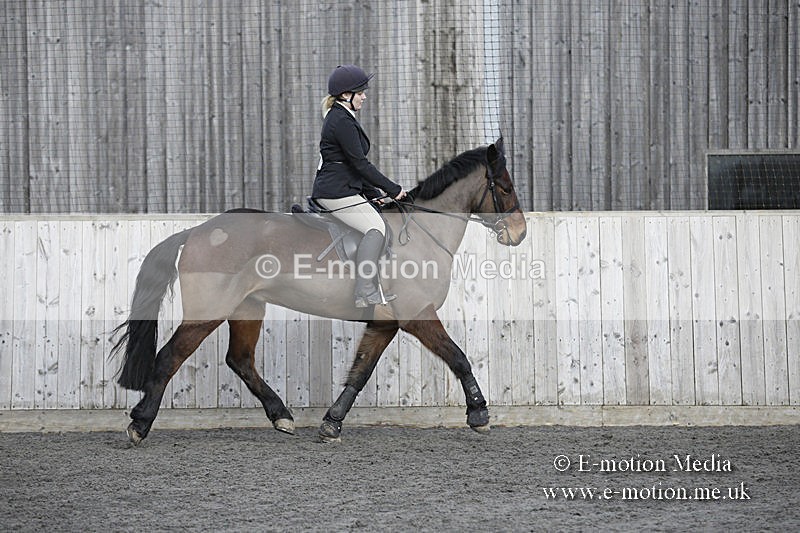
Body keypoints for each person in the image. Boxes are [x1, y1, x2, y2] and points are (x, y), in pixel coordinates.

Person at [312, 64, 407, 308]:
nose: (364, 96)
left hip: (344, 187)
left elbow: (352, 166)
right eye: (360, 92)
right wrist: (393, 188)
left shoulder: (342, 116)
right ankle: (364, 291)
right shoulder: (341, 121)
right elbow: (360, 164)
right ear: (346, 95)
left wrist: (374, 194)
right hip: (335, 192)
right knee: (377, 228)